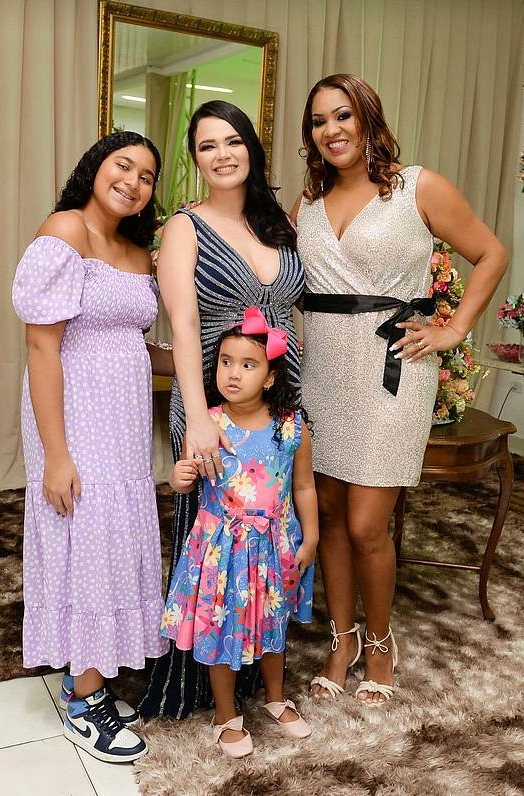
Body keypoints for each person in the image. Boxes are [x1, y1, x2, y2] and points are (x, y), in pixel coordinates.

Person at [291, 74, 508, 705]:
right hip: (322, 371)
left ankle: (381, 643)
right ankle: (342, 640)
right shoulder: (307, 203)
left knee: (366, 525)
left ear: (368, 119)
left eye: (343, 115)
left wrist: (454, 328)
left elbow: (491, 253)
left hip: (392, 370)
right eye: (318, 121)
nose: (331, 130)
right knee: (330, 511)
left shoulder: (419, 186)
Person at [11, 131, 175, 762]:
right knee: (86, 537)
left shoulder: (137, 251)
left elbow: (130, 341)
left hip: (123, 426)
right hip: (73, 419)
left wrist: (215, 359)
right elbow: (41, 346)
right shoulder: (67, 230)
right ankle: (85, 704)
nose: (133, 182)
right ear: (95, 168)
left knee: (111, 538)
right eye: (122, 166)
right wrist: (56, 453)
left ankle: (90, 673)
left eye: (147, 176)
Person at [140, 100, 305, 719]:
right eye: (206, 146)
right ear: (195, 159)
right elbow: (183, 326)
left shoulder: (276, 224)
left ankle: (264, 668)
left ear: (251, 149)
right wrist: (198, 420)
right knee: (213, 544)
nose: (222, 155)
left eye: (232, 141)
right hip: (215, 403)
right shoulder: (185, 227)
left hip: (281, 398)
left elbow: (292, 313)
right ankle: (201, 685)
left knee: (271, 532)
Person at [160, 308, 317, 757]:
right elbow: (183, 477)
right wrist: (179, 476)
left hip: (274, 547)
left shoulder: (291, 426)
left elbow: (304, 485)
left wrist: (312, 537)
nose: (233, 373)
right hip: (222, 551)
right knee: (221, 628)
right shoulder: (207, 424)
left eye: (248, 365)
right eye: (226, 362)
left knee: (274, 625)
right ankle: (225, 715)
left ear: (270, 377)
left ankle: (275, 698)